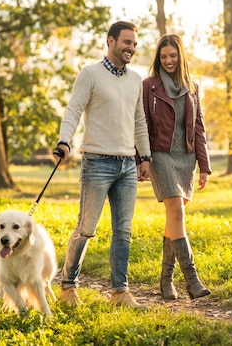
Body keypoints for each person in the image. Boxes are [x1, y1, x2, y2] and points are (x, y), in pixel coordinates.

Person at [54, 21, 152, 309]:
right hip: (97, 162)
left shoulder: (136, 79)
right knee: (85, 229)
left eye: (134, 43)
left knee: (123, 232)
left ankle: (120, 293)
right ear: (110, 41)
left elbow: (139, 121)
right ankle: (68, 287)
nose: (131, 48)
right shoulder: (90, 74)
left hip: (127, 165)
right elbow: (73, 110)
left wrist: (144, 157)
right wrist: (64, 141)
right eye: (126, 42)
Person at [142, 33, 212, 300]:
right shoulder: (148, 86)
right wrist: (144, 159)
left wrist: (204, 166)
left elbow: (199, 129)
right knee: (177, 215)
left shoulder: (193, 87)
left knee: (174, 218)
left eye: (172, 56)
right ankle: (192, 280)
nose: (168, 61)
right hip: (160, 156)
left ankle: (165, 280)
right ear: (158, 59)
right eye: (163, 57)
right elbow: (144, 125)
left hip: (186, 159)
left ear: (180, 56)